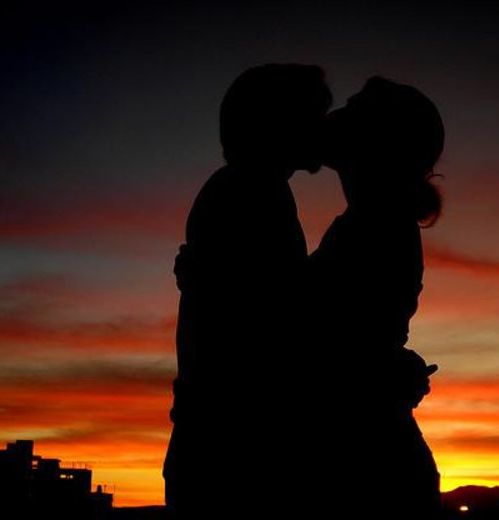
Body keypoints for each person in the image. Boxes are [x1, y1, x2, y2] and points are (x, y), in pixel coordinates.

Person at [163, 63, 332, 518]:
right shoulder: (251, 192)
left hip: (222, 442)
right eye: (317, 112)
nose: (326, 125)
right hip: (235, 450)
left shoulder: (252, 188)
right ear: (279, 121)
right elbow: (278, 319)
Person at [308, 76, 445, 518]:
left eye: (351, 109)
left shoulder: (374, 228)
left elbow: (315, 336)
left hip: (363, 468)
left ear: (376, 142)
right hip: (377, 457)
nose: (333, 117)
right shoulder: (371, 222)